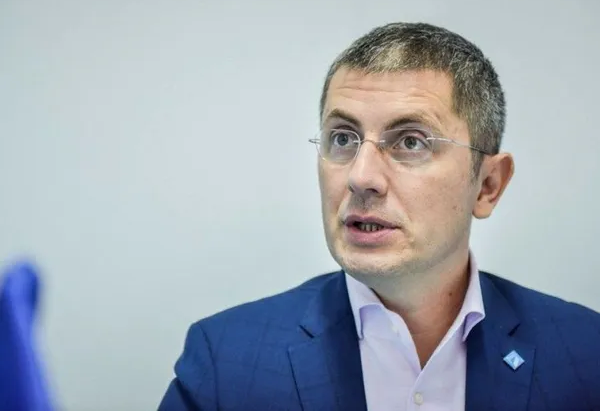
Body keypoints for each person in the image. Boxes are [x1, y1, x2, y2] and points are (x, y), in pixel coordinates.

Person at [158, 22, 600, 411]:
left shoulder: (587, 354)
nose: (360, 177)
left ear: (487, 186)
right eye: (343, 138)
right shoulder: (225, 362)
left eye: (410, 142)